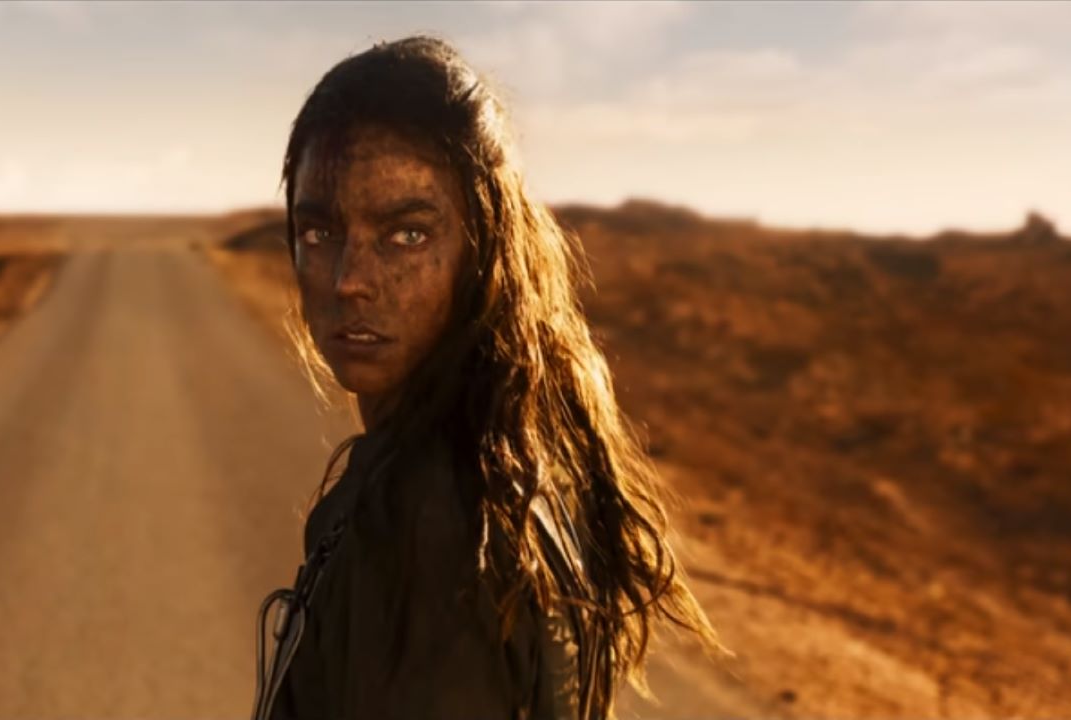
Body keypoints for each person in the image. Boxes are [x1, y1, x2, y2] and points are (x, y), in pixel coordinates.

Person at [251, 36, 724, 720]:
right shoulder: (511, 458)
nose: (349, 279)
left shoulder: (435, 523)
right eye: (320, 232)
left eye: (407, 234)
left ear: (484, 247)